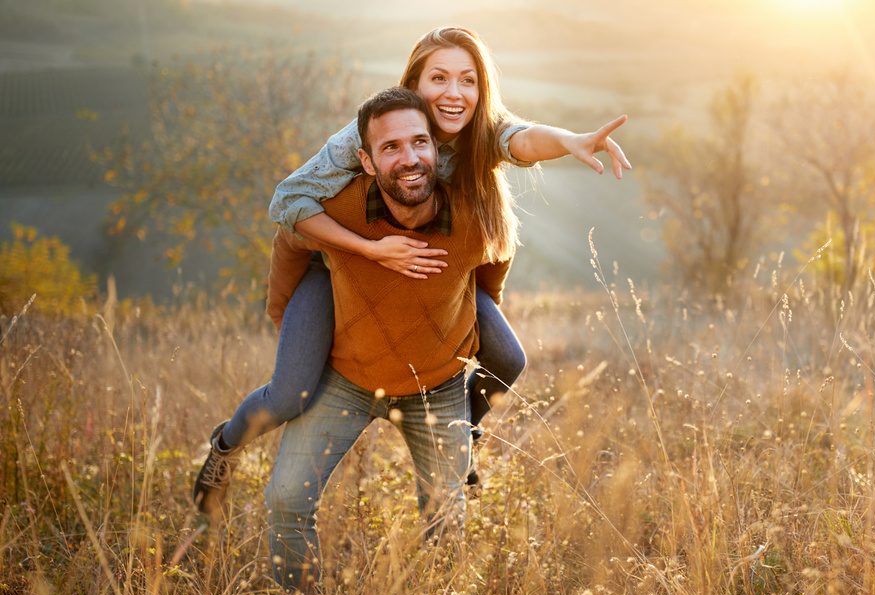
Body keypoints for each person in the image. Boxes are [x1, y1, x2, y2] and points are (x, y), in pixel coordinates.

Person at [191, 26, 631, 515]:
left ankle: (464, 440)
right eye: (439, 77)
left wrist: (571, 140)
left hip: (433, 272)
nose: (454, 92)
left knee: (506, 357)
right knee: (291, 392)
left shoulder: (479, 130)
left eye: (468, 80)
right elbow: (287, 203)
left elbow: (521, 140)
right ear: (414, 85)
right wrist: (370, 248)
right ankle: (225, 447)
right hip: (339, 264)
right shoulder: (370, 134)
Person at [264, 86, 505, 595]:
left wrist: (471, 321)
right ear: (366, 162)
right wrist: (282, 314)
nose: (410, 157)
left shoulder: (471, 212)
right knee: (285, 499)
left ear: (437, 151)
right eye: (391, 148)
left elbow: (493, 263)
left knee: (448, 517)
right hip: (344, 379)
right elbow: (289, 237)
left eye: (419, 142)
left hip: (436, 387)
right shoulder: (340, 210)